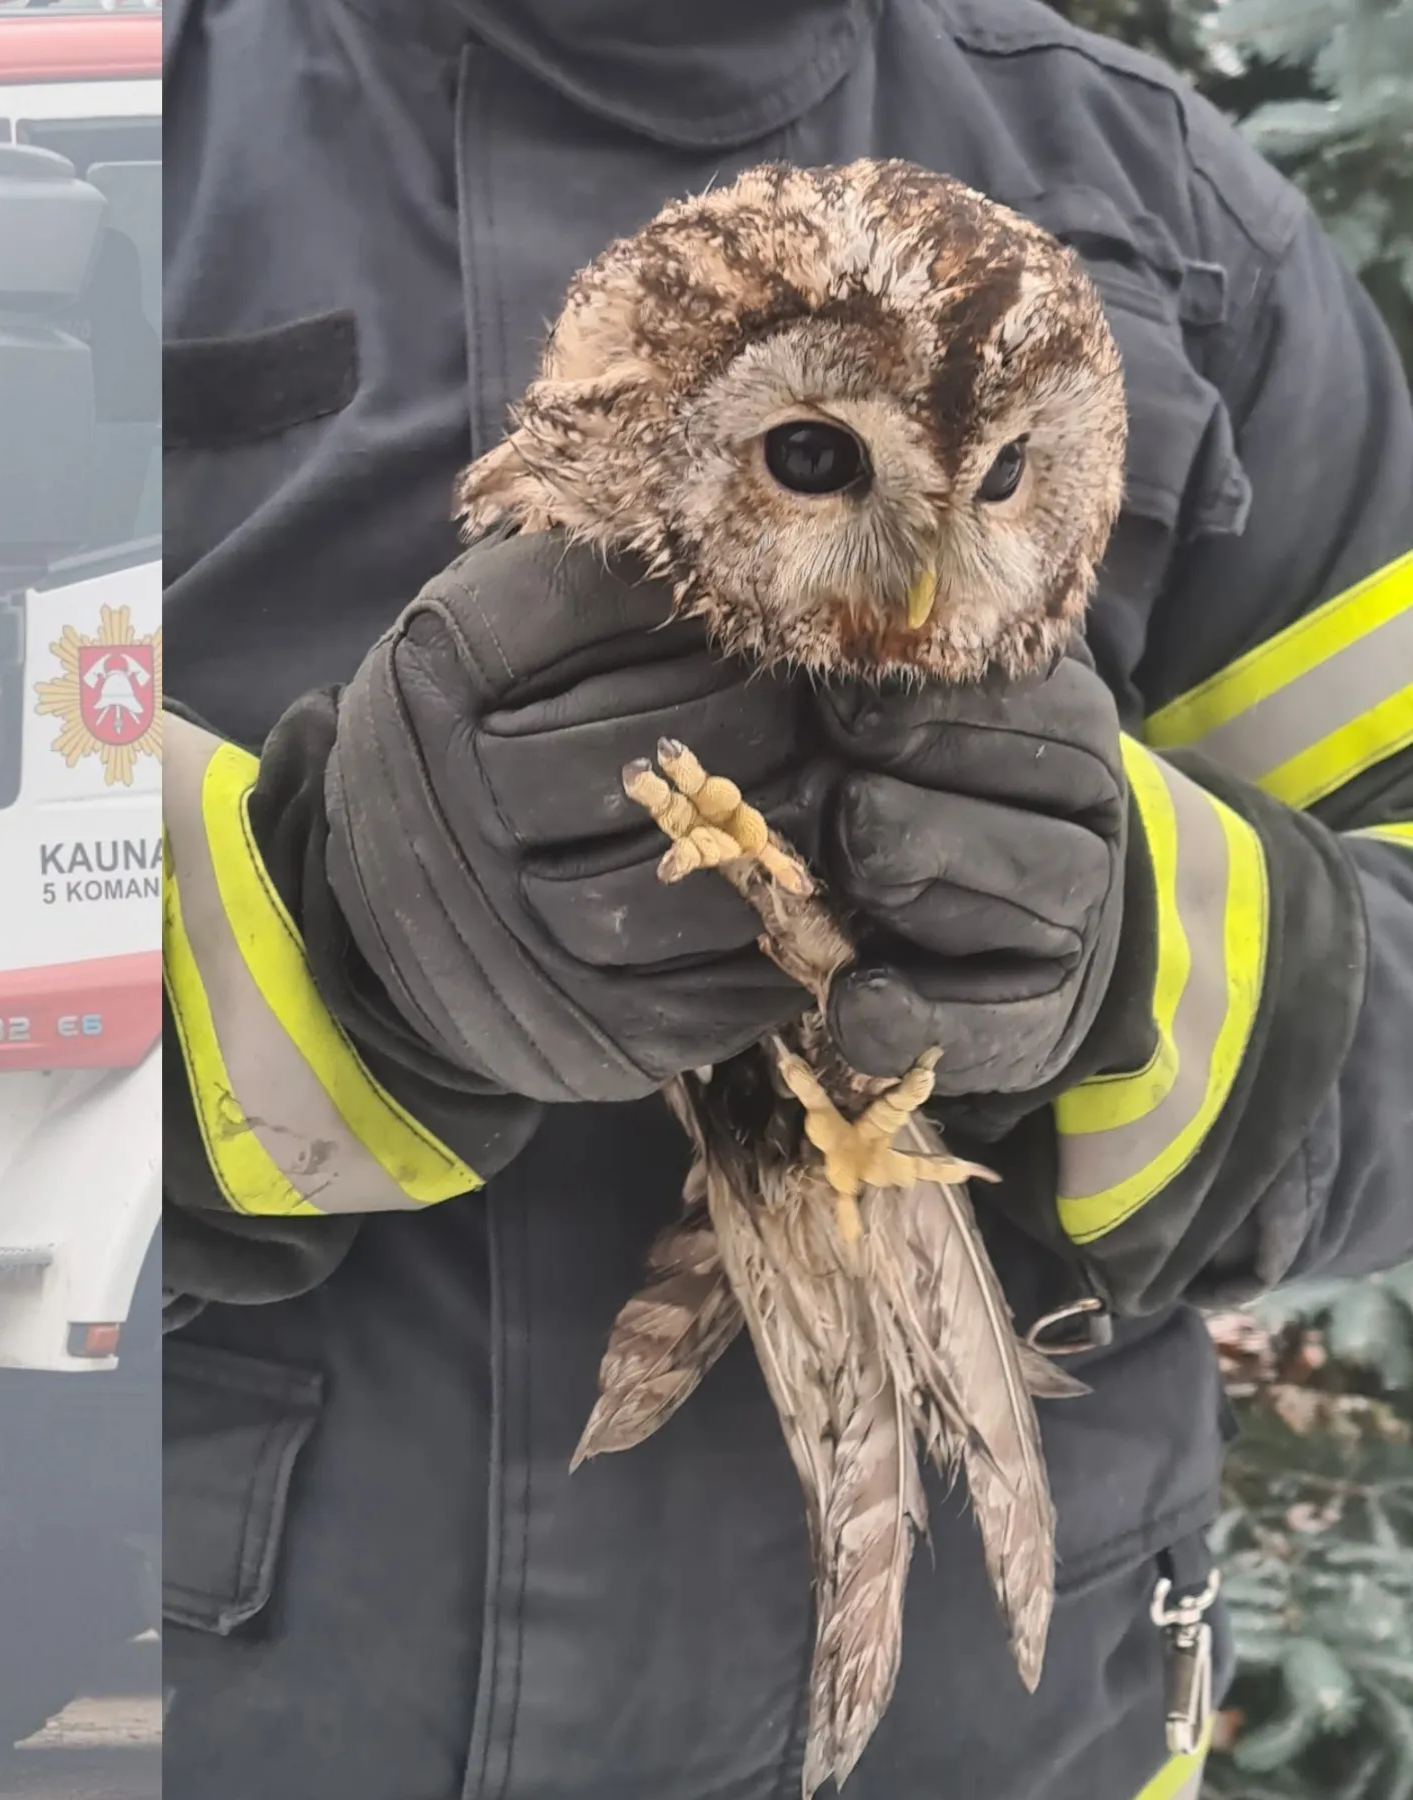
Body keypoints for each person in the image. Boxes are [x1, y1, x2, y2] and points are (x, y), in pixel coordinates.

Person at [155, 1, 1413, 1796]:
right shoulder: (83, 132)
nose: (915, 604)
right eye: (813, 461)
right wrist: (314, 941)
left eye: (1005, 483)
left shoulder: (1174, 216)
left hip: (991, 1711)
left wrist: (1151, 951)